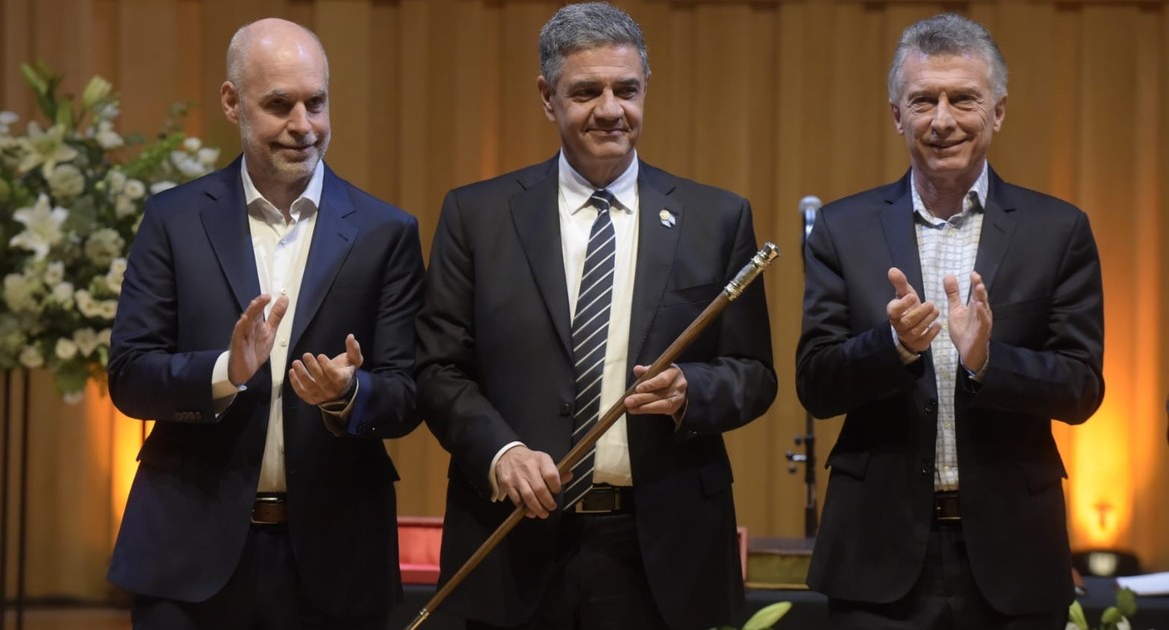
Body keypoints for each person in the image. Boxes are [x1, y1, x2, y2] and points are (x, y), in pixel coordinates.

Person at [415, 3, 777, 629]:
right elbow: (437, 369)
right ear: (547, 97)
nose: (610, 110)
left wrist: (693, 389)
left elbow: (754, 372)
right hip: (515, 543)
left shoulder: (717, 218)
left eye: (626, 90)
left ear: (645, 90)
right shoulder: (476, 216)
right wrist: (501, 452)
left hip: (663, 548)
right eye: (586, 92)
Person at [106, 18, 425, 629]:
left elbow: (409, 394)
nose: (303, 125)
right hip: (187, 555)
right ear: (233, 102)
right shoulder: (173, 220)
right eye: (279, 105)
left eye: (316, 103)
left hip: (336, 558)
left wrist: (349, 393)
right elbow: (129, 376)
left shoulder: (386, 232)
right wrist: (225, 372)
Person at [797, 13, 1104, 630]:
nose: (942, 120)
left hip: (1015, 556)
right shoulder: (842, 228)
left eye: (963, 99)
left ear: (998, 111)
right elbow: (817, 384)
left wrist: (988, 361)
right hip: (875, 556)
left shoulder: (1058, 230)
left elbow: (1080, 390)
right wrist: (893, 346)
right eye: (923, 101)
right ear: (896, 114)